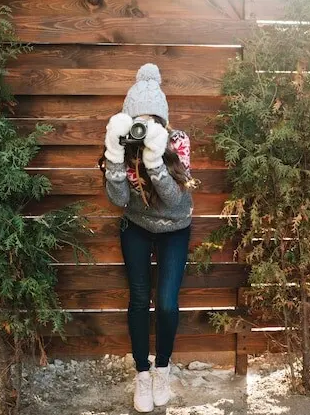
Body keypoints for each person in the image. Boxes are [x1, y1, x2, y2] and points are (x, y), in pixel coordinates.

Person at [100, 63, 195, 412]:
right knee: (139, 300)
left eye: (152, 119)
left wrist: (155, 160)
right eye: (138, 119)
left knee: (167, 303)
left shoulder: (177, 141)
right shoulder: (124, 144)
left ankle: (162, 369)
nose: (144, 126)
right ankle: (142, 373)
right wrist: (114, 154)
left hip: (175, 227)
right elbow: (119, 199)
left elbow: (174, 200)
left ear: (163, 120)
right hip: (136, 225)